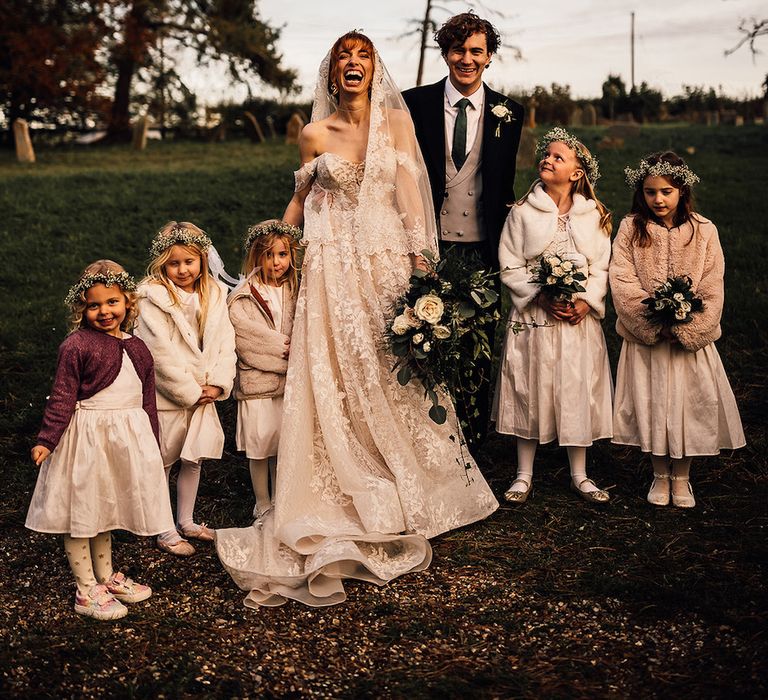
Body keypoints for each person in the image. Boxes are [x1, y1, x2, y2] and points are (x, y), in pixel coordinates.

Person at [216, 32, 498, 608]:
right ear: (331, 72)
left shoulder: (395, 124)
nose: (352, 64)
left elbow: (412, 196)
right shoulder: (312, 134)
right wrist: (273, 255)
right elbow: (301, 201)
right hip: (331, 269)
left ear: (374, 69)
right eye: (344, 57)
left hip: (387, 260)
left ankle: (413, 473)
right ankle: (337, 471)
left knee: (393, 366)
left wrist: (423, 267)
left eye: (362, 56)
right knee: (336, 370)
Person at [403, 12, 524, 448]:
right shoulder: (412, 103)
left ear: (489, 56)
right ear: (446, 54)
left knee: (478, 343)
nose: (466, 59)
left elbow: (503, 185)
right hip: (427, 245)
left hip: (482, 248)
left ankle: (472, 441)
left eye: (476, 50)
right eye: (458, 50)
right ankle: (428, 439)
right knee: (423, 339)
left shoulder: (509, 113)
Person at [26, 260, 174, 620]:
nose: (104, 311)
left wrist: (151, 441)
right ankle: (85, 587)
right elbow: (62, 395)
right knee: (83, 510)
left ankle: (106, 577)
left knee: (105, 508)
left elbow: (147, 399)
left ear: (127, 302)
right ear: (82, 307)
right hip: (87, 440)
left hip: (123, 440)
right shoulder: (76, 345)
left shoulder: (138, 347)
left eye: (112, 302)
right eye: (94, 305)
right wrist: (48, 438)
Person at [610, 152, 745, 507]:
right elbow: (622, 280)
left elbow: (712, 284)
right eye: (651, 192)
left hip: (689, 342)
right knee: (653, 402)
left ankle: (682, 477)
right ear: (641, 192)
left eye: (667, 191)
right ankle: (659, 473)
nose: (658, 199)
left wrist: (688, 325)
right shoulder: (631, 228)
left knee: (687, 405)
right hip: (648, 341)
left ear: (682, 191)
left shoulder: (704, 231)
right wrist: (652, 322)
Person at [493, 128, 613, 504]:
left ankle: (580, 473)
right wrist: (539, 295)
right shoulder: (524, 212)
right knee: (530, 385)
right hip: (535, 321)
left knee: (575, 386)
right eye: (546, 155)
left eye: (558, 157)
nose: (547, 159)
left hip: (576, 323)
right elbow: (510, 263)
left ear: (577, 173)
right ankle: (523, 473)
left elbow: (602, 267)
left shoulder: (592, 215)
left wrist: (586, 301)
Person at [135, 222, 236, 555]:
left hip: (206, 390)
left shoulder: (214, 293)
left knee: (194, 458)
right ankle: (163, 527)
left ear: (202, 259)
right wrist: (189, 390)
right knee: (163, 460)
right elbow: (156, 351)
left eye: (189, 262)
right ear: (162, 262)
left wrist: (218, 383)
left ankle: (186, 519)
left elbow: (225, 341)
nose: (182, 270)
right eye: (174, 263)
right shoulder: (152, 298)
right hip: (172, 395)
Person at [228, 220, 300, 522]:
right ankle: (262, 502)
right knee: (260, 447)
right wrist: (287, 351)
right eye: (268, 255)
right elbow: (247, 340)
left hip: (287, 387)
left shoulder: (297, 291)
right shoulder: (244, 295)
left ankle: (283, 501)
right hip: (257, 384)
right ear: (256, 257)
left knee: (282, 444)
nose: (276, 263)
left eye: (282, 255)